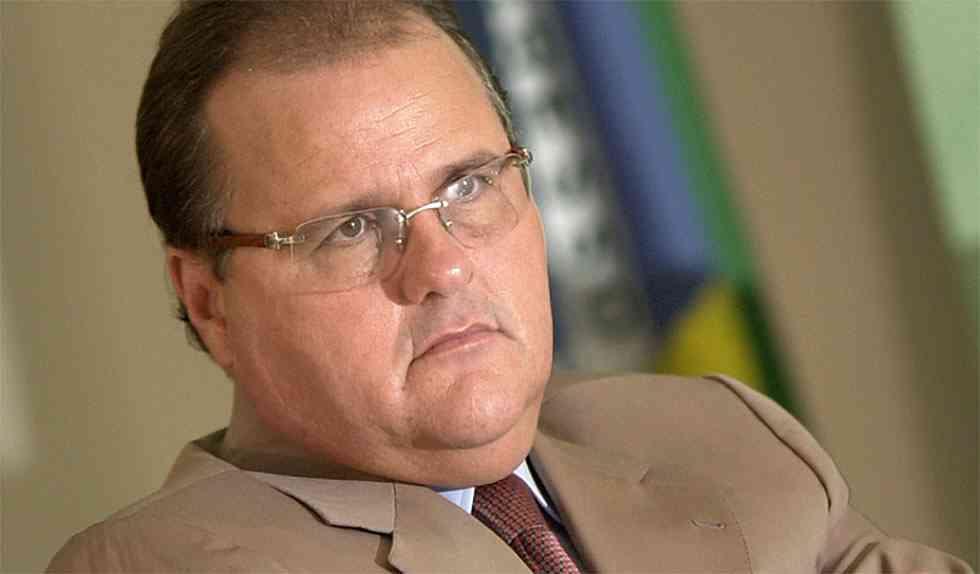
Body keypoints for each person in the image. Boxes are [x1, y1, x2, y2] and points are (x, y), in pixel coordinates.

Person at [48, 1, 971, 573]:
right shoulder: (156, 565)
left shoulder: (717, 433)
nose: (443, 267)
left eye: (467, 186)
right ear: (209, 300)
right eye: (351, 228)